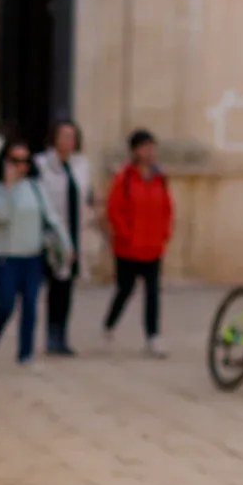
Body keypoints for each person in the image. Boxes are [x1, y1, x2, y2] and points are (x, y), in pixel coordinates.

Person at [0, 138, 67, 366]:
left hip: (32, 255)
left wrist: (66, 243)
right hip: (6, 256)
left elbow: (52, 216)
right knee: (6, 304)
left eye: (25, 161)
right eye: (15, 160)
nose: (20, 166)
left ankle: (25, 353)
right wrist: (9, 189)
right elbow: (1, 217)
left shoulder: (36, 187)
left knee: (30, 304)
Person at [102, 129, 173, 358]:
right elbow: (114, 209)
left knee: (153, 292)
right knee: (125, 289)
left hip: (152, 246)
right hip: (128, 248)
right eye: (145, 147)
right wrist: (126, 234)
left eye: (152, 147)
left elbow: (167, 208)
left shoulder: (160, 177)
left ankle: (153, 336)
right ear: (135, 151)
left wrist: (164, 233)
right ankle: (110, 324)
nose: (150, 151)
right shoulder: (124, 178)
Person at [36, 119, 95, 356]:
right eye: (63, 136)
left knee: (67, 286)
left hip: (76, 231)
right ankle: (51, 334)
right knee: (55, 285)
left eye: (71, 137)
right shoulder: (42, 164)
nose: (67, 141)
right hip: (52, 232)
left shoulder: (81, 165)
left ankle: (62, 335)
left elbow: (87, 195)